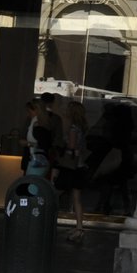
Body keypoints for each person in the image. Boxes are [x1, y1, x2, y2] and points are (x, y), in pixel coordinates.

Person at [58, 100, 90, 239]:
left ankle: (46, 220)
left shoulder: (73, 128)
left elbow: (71, 146)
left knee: (57, 191)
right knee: (77, 198)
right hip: (80, 165)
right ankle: (79, 228)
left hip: (71, 166)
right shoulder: (82, 128)